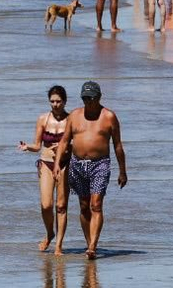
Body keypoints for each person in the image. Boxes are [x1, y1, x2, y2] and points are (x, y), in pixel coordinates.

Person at [54, 80, 127, 260]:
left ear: (99, 97)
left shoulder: (109, 116)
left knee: (96, 204)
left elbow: (117, 145)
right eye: (85, 98)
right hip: (77, 164)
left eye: (91, 98)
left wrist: (122, 171)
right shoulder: (75, 115)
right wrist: (56, 164)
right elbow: (64, 141)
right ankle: (89, 244)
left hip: (100, 164)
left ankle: (93, 245)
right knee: (84, 206)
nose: (88, 102)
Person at [17, 85, 71, 252]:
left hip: (65, 164)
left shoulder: (71, 119)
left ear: (65, 101)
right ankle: (49, 233)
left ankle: (58, 246)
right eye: (52, 101)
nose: (55, 104)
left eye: (58, 101)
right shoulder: (43, 119)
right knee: (46, 205)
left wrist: (65, 147)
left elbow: (77, 144)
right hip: (46, 163)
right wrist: (27, 147)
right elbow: (37, 145)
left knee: (61, 206)